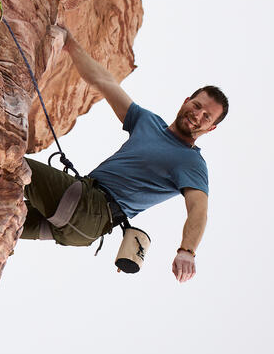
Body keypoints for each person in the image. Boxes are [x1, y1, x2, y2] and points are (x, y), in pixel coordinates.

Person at [20, 26, 228, 283]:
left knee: (11, 164)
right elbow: (105, 82)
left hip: (91, 209)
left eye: (206, 117)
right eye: (197, 106)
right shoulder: (148, 122)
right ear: (186, 100)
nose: (197, 115)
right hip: (78, 225)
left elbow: (198, 209)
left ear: (211, 128)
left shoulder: (192, 162)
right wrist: (70, 44)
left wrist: (187, 251)